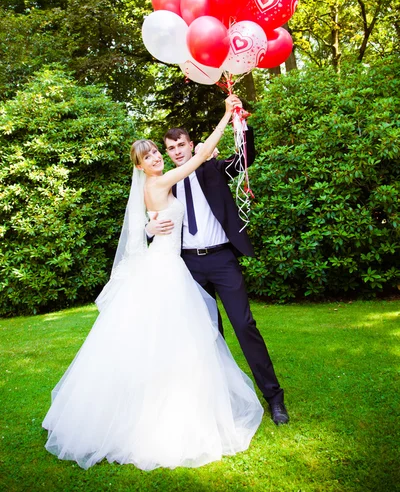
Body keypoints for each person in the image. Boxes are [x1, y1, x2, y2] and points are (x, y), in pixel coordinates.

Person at [42, 95, 263, 471]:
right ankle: (172, 413)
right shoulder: (160, 184)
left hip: (172, 265)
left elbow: (191, 182)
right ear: (141, 167)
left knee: (171, 339)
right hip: (169, 270)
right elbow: (200, 155)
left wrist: (148, 225)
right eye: (151, 158)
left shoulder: (160, 183)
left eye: (158, 155)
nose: (159, 159)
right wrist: (226, 115)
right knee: (183, 338)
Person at [146, 98, 289, 426]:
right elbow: (154, 219)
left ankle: (274, 397)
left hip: (222, 260)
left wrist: (241, 122)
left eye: (181, 144)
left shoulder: (212, 168)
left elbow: (245, 159)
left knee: (244, 325)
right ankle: (217, 401)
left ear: (191, 145)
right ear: (167, 154)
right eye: (170, 148)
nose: (177, 151)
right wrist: (149, 227)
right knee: (206, 334)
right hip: (189, 267)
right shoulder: (168, 182)